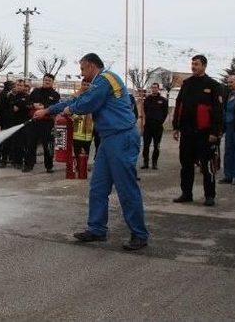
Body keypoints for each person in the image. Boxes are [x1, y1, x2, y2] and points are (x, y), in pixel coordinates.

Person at [33, 53, 149, 251]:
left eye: (82, 69)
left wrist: (67, 110)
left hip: (121, 137)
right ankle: (96, 229)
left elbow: (87, 104)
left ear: (92, 66)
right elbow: (78, 99)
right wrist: (49, 110)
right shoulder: (98, 82)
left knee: (126, 187)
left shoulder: (104, 80)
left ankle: (139, 234)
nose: (81, 74)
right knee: (98, 186)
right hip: (109, 139)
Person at [172, 55, 223, 206]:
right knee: (186, 165)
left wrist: (215, 132)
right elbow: (179, 104)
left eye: (197, 64)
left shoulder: (213, 85)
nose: (193, 66)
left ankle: (209, 196)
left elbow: (218, 111)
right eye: (192, 64)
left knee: (207, 166)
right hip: (187, 132)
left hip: (205, 133)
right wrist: (176, 126)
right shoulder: (187, 83)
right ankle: (186, 193)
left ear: (204, 66)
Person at [24, 74, 60, 173]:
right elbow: (27, 103)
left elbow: (56, 108)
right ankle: (28, 165)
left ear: (53, 82)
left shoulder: (55, 95)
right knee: (30, 145)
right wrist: (33, 104)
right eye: (45, 80)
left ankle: (49, 166)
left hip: (47, 124)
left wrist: (43, 107)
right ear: (43, 80)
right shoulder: (35, 91)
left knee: (48, 146)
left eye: (49, 80)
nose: (47, 81)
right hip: (34, 123)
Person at [219, 75, 235, 184]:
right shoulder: (228, 95)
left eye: (232, 82)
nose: (229, 84)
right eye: (228, 82)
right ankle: (228, 175)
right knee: (228, 152)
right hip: (228, 127)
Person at [141, 83, 168, 170]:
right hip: (148, 126)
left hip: (158, 127)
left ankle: (154, 163)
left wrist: (160, 121)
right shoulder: (147, 99)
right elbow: (145, 110)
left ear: (158, 89)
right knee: (146, 145)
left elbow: (165, 112)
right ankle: (145, 162)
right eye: (152, 87)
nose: (154, 89)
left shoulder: (163, 100)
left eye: (155, 87)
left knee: (156, 146)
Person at [7, 79, 29, 169]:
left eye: (21, 85)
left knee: (21, 143)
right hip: (13, 123)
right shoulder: (11, 96)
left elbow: (25, 105)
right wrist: (18, 105)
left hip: (23, 124)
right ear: (15, 86)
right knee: (13, 143)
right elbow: (11, 107)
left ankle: (20, 161)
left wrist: (19, 105)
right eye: (18, 85)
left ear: (24, 87)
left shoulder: (27, 96)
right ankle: (14, 160)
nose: (19, 86)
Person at [0, 80, 14, 168]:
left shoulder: (2, 94)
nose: (13, 87)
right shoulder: (7, 95)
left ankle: (2, 159)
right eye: (12, 85)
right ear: (8, 86)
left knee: (4, 140)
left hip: (4, 121)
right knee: (5, 141)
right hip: (6, 121)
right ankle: (3, 159)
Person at [72, 79, 94, 159]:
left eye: (87, 85)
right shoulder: (75, 96)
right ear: (81, 85)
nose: (85, 87)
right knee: (77, 153)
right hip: (77, 131)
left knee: (86, 153)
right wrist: (77, 116)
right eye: (84, 84)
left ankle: (83, 169)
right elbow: (70, 111)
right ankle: (78, 169)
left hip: (88, 131)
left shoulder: (93, 98)